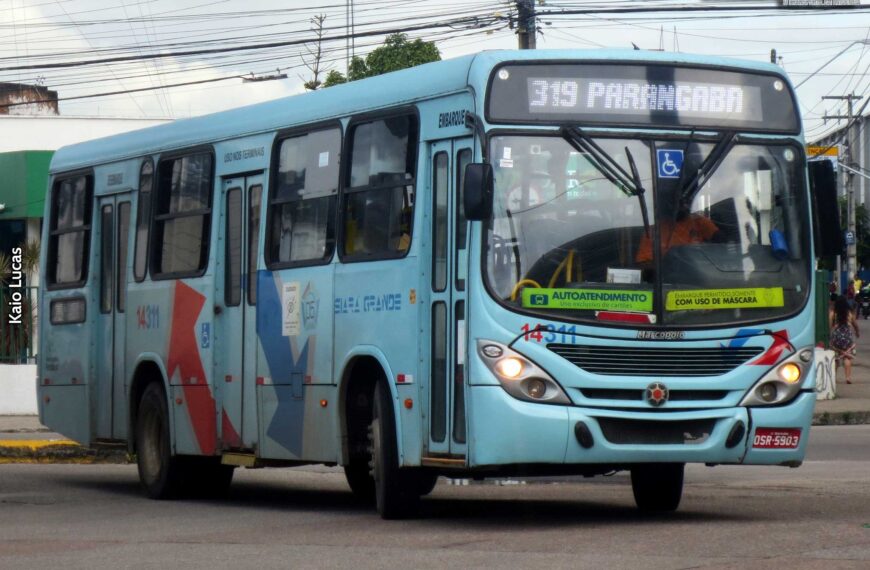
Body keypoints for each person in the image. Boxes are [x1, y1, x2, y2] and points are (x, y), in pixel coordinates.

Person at [636, 189, 721, 264]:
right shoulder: (653, 231)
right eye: (675, 201)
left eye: (683, 201)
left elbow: (724, 244)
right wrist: (669, 263)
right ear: (666, 205)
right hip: (666, 278)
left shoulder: (699, 222)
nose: (682, 205)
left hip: (699, 276)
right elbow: (643, 264)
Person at [830, 295, 860, 384]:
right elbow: (855, 324)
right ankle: (848, 378)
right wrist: (857, 332)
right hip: (847, 338)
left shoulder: (833, 313)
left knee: (836, 359)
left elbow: (830, 326)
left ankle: (833, 378)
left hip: (836, 337)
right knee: (847, 357)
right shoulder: (849, 313)